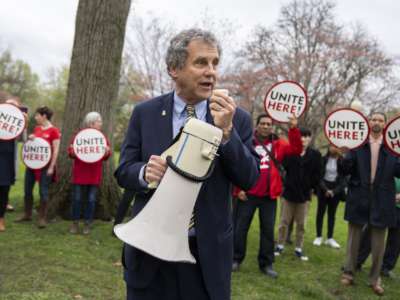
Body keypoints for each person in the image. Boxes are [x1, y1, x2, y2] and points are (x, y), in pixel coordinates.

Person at [114, 28, 259, 300]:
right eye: (201, 62)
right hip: (149, 255)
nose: (211, 72)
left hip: (204, 259)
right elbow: (124, 170)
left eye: (215, 63)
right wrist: (145, 172)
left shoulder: (235, 118)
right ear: (174, 69)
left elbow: (250, 178)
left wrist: (227, 134)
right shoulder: (145, 113)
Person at [232, 114, 301, 278]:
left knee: (268, 231)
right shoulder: (247, 142)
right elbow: (235, 165)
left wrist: (293, 128)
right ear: (257, 126)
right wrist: (237, 189)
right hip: (247, 194)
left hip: (268, 196)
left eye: (268, 124)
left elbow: (296, 149)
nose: (265, 126)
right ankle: (235, 259)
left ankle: (266, 263)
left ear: (272, 127)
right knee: (240, 229)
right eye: (262, 123)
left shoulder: (278, 145)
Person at [340, 112, 400, 296]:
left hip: (382, 198)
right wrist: (344, 154)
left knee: (378, 243)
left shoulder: (393, 148)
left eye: (380, 120)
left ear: (385, 124)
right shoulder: (357, 144)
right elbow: (345, 170)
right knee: (353, 239)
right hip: (359, 195)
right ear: (368, 122)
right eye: (373, 119)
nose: (376, 122)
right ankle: (348, 272)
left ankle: (375, 279)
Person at [275, 128, 321, 261]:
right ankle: (279, 245)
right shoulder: (290, 153)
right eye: (301, 136)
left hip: (304, 195)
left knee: (301, 224)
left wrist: (311, 187)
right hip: (289, 193)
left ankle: (298, 248)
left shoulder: (315, 155)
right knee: (284, 221)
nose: (304, 139)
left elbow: (318, 174)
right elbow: (283, 166)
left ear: (310, 138)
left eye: (307, 136)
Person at [16, 106, 61, 228]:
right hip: (32, 165)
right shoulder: (36, 129)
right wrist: (30, 139)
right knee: (27, 190)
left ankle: (42, 218)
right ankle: (27, 214)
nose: (35, 118)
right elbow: (31, 145)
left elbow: (56, 150)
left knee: (43, 192)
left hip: (45, 167)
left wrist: (52, 167)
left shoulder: (54, 131)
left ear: (44, 116)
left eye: (37, 115)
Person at [68, 112, 111, 235]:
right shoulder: (79, 136)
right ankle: (75, 223)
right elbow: (70, 151)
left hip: (94, 174)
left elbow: (106, 155)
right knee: (77, 199)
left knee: (91, 200)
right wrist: (74, 152)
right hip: (80, 173)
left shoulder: (101, 137)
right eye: (99, 121)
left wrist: (107, 152)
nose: (101, 124)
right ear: (92, 123)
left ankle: (87, 223)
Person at [356, 177, 400, 278]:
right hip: (383, 202)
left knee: (396, 240)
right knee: (371, 232)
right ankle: (357, 260)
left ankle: (386, 267)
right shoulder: (390, 161)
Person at [0, 97, 26, 232]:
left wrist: (23, 119)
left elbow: (22, 136)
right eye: (9, 105)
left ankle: (1, 219)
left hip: (8, 160)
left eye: (15, 107)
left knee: (4, 191)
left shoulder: (17, 124)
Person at [313, 145, 347, 248]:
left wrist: (334, 191)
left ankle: (330, 238)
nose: (334, 149)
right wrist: (325, 189)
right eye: (332, 146)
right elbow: (318, 176)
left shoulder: (342, 161)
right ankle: (319, 236)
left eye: (336, 147)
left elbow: (343, 179)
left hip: (335, 189)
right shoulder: (323, 159)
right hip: (323, 188)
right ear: (329, 148)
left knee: (332, 214)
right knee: (320, 212)